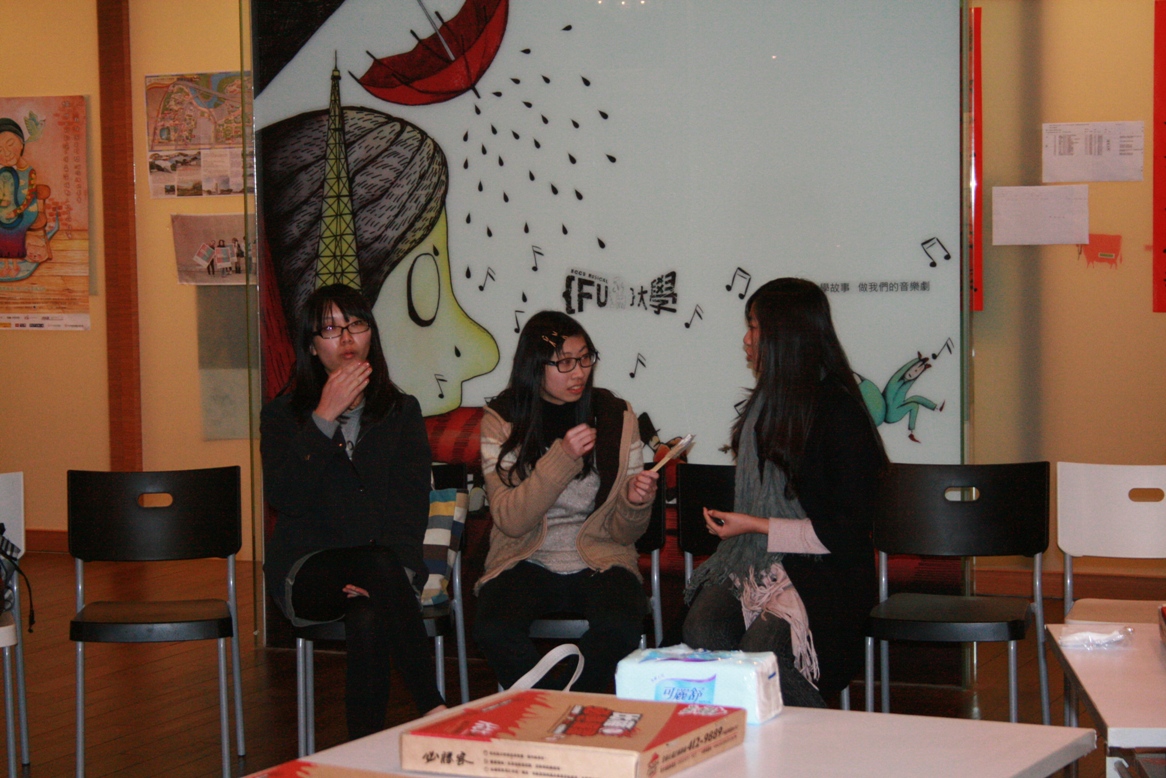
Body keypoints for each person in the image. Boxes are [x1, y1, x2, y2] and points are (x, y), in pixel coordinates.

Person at [682, 278, 886, 708]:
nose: (747, 339)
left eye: (755, 327)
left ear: (785, 336)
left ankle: (815, 742)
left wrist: (754, 525)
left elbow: (843, 533)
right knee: (703, 627)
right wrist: (748, 527)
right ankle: (737, 734)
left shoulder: (839, 413)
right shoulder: (765, 403)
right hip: (755, 562)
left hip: (825, 573)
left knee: (766, 650)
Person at [261, 283, 445, 740]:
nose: (345, 338)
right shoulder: (282, 416)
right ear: (311, 347)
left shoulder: (401, 412)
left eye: (356, 324)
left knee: (369, 614)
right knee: (377, 567)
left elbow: (409, 507)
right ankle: (433, 705)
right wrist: (323, 418)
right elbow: (286, 498)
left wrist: (396, 573)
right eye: (330, 329)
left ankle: (362, 750)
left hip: (382, 569)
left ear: (371, 335)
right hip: (308, 569)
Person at [474, 311, 659, 692]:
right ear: (534, 366)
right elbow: (510, 519)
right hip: (525, 555)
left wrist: (634, 503)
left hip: (601, 555)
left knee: (621, 625)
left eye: (585, 358)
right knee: (494, 628)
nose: (579, 373)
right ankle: (552, 704)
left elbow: (626, 534)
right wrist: (561, 458)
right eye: (565, 362)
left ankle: (564, 704)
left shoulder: (617, 416)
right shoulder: (503, 419)